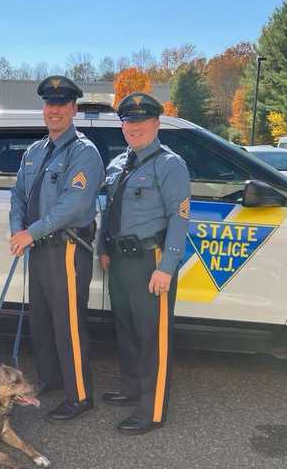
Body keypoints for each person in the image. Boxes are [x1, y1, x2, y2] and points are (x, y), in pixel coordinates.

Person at [9, 75, 105, 421]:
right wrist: (16, 229)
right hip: (38, 249)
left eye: (62, 105)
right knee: (42, 322)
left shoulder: (84, 153)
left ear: (73, 109)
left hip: (66, 249)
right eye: (50, 104)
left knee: (68, 325)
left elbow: (74, 206)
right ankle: (51, 380)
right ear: (44, 108)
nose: (55, 111)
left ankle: (79, 395)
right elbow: (18, 194)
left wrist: (30, 233)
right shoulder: (34, 152)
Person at [97, 92, 191, 434]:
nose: (134, 127)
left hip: (151, 260)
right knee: (127, 330)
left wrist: (167, 267)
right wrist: (103, 249)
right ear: (123, 126)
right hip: (120, 260)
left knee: (153, 337)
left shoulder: (170, 165)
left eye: (141, 120)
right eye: (128, 121)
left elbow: (179, 219)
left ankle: (151, 411)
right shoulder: (118, 165)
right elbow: (109, 212)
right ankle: (131, 388)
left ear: (156, 123)